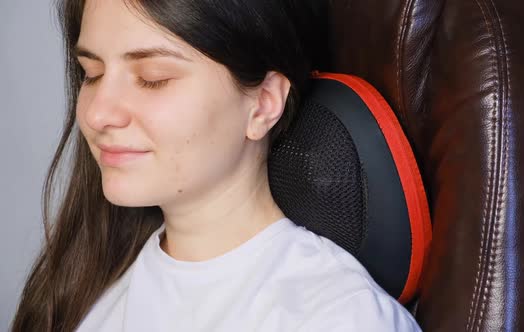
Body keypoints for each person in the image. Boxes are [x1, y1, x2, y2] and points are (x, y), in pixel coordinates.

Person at [11, 0, 421, 331]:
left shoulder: (337, 318)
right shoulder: (83, 289)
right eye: (92, 74)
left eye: (153, 78)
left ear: (263, 104)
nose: (99, 113)